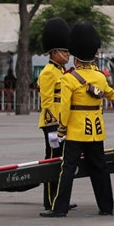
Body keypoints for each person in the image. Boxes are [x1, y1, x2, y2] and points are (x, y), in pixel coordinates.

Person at [41, 21, 114, 218]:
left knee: (68, 169)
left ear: (76, 56)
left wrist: (61, 130)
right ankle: (106, 206)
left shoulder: (69, 79)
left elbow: (64, 109)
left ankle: (59, 208)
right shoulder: (100, 77)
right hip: (96, 130)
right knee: (100, 168)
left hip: (76, 130)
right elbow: (111, 94)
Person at [38, 17, 70, 210]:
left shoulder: (61, 71)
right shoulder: (48, 72)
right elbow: (47, 101)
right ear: (54, 52)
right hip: (52, 124)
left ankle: (58, 197)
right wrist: (52, 128)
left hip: (62, 122)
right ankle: (50, 200)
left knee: (61, 163)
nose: (67, 54)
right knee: (52, 163)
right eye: (64, 51)